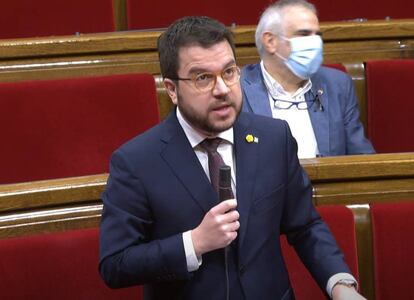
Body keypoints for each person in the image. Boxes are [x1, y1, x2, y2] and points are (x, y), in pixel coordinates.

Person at [99, 16, 365, 300]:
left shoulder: (274, 138)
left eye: (228, 72)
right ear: (172, 90)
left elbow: (305, 225)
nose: (222, 89)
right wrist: (194, 243)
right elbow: (116, 264)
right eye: (203, 78)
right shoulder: (137, 161)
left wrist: (340, 285)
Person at [241, 0, 375, 158]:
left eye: (317, 35)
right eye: (304, 34)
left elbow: (361, 157)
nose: (315, 42)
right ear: (271, 41)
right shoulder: (237, 88)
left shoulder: (337, 85)